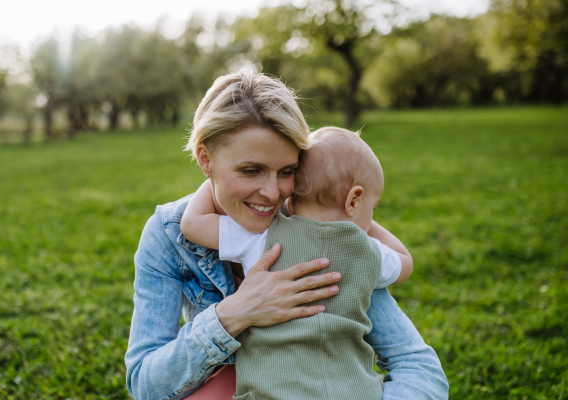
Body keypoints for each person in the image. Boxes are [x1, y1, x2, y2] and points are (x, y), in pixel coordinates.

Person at [124, 70, 449, 400]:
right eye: (251, 170)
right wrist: (236, 313)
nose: (271, 193)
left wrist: (350, 224)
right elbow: (146, 386)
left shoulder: (321, 237)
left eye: (287, 172)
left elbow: (417, 366)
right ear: (205, 160)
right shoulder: (168, 235)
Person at [180, 126, 414, 400]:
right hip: (355, 391)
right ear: (354, 199)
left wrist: (218, 174)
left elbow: (192, 224)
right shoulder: (369, 251)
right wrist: (360, 222)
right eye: (373, 207)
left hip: (271, 391)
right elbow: (405, 262)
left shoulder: (262, 238)